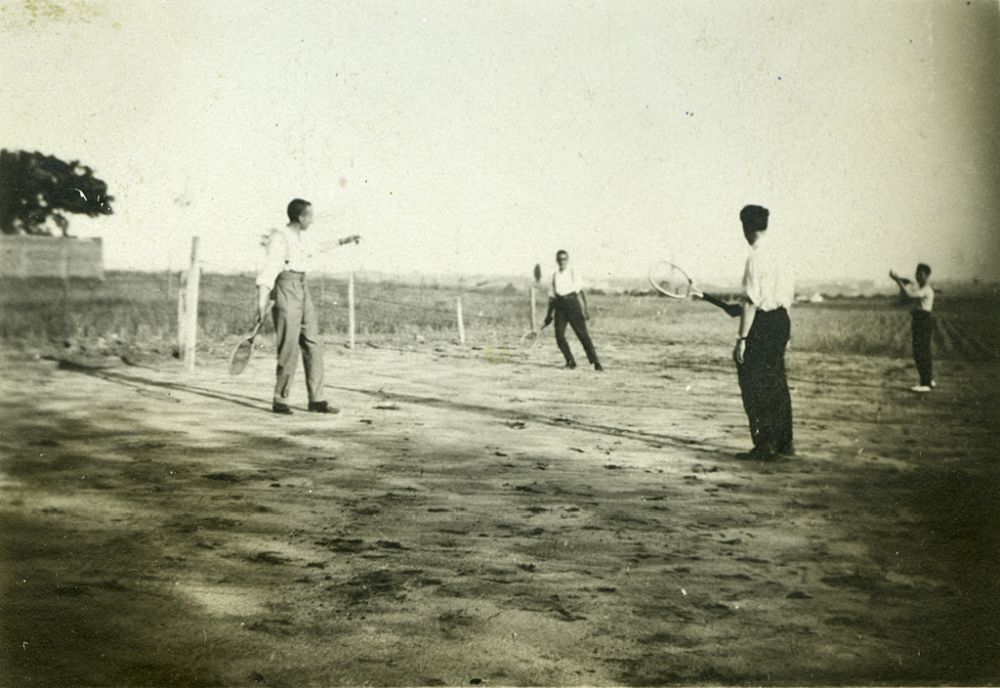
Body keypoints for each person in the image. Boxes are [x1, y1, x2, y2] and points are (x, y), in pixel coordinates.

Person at [255, 198, 358, 414]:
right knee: (289, 346)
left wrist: (344, 240)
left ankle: (316, 400)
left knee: (313, 343)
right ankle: (280, 399)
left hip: (303, 288)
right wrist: (261, 304)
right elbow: (267, 273)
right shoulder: (279, 238)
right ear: (300, 217)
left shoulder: (300, 237)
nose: (312, 220)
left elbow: (317, 248)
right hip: (285, 288)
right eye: (309, 216)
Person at [732, 205, 795, 460]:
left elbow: (751, 301)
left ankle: (765, 444)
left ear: (746, 227)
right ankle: (784, 443)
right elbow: (784, 296)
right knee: (777, 381)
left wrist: (742, 339)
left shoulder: (756, 257)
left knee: (754, 381)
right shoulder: (781, 255)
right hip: (781, 320)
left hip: (763, 323)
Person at [543, 250, 603, 371]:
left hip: (572, 304)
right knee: (559, 336)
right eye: (559, 259)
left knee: (582, 334)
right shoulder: (554, 276)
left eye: (564, 259)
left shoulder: (573, 272)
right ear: (556, 260)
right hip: (559, 306)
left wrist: (585, 309)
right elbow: (552, 298)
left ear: (567, 259)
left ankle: (596, 362)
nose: (562, 261)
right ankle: (570, 361)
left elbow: (581, 291)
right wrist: (549, 315)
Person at [890, 264, 935, 392]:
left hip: (923, 320)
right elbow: (908, 282)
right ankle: (928, 380)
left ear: (926, 275)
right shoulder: (921, 287)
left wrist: (897, 280)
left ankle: (925, 383)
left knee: (920, 351)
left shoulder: (926, 289)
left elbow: (909, 295)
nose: (917, 276)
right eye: (917, 273)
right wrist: (897, 278)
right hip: (920, 319)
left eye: (920, 274)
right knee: (924, 350)